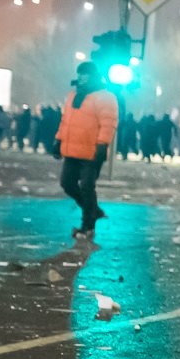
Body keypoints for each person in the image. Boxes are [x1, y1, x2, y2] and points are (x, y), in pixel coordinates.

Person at [52, 62, 118, 239]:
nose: (81, 77)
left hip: (91, 151)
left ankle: (87, 226)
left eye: (85, 74)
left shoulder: (105, 97)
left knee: (87, 186)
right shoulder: (73, 95)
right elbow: (66, 121)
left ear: (93, 75)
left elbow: (108, 124)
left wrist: (103, 145)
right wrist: (59, 140)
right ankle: (93, 210)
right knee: (67, 183)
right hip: (72, 149)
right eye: (80, 73)